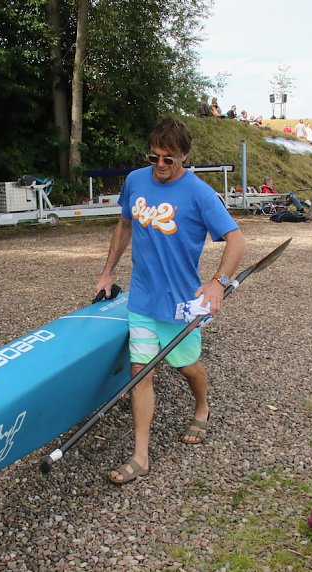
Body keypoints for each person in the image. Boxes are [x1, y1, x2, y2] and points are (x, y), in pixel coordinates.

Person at [95, 118, 245, 485]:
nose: (160, 166)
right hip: (142, 297)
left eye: (169, 160)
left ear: (184, 156)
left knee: (186, 367)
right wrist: (107, 272)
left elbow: (237, 240)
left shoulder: (200, 194)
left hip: (180, 304)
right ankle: (140, 455)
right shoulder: (136, 180)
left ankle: (202, 407)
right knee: (140, 370)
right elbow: (125, 224)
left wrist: (217, 283)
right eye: (155, 158)